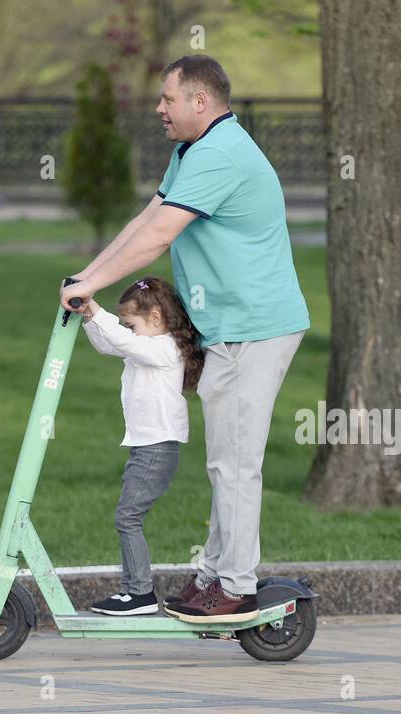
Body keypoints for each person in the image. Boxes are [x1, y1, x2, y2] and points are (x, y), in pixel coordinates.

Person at [62, 54, 309, 625]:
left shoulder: (221, 154)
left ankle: (237, 586)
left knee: (236, 463)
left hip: (255, 328)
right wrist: (86, 279)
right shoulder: (192, 152)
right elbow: (144, 222)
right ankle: (213, 576)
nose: (159, 109)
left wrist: (94, 284)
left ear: (201, 101)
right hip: (228, 328)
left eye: (167, 99)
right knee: (226, 459)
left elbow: (161, 238)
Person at [79, 277, 203, 617]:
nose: (128, 331)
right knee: (128, 517)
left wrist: (95, 307)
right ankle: (133, 592)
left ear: (157, 318)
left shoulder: (164, 349)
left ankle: (139, 593)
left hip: (157, 449)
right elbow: (109, 345)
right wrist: (89, 317)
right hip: (146, 448)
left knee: (128, 517)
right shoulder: (145, 347)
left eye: (131, 324)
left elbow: (122, 341)